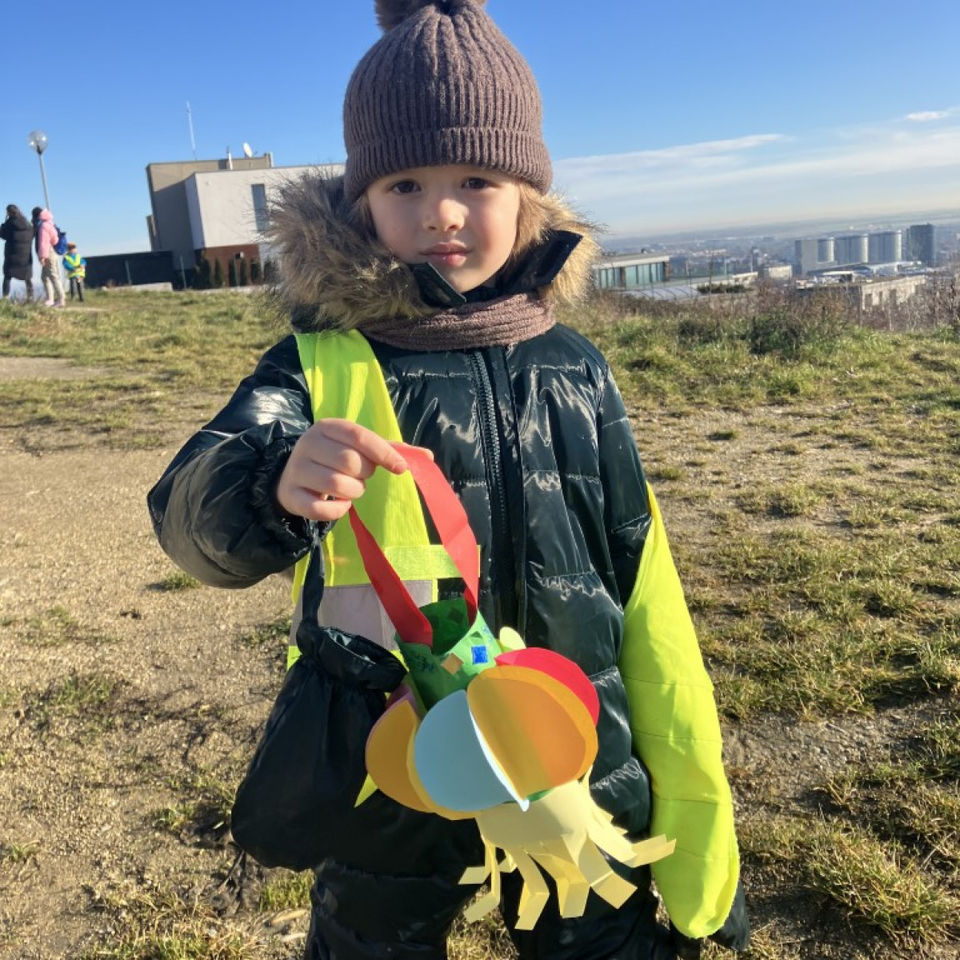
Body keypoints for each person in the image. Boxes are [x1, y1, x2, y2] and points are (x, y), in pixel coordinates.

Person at [147, 2, 749, 958]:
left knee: (599, 936)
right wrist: (267, 488)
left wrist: (683, 792)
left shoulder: (576, 367)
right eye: (404, 182)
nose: (442, 211)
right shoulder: (318, 362)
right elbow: (189, 512)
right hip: (388, 753)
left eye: (478, 176)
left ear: (530, 194)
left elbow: (642, 579)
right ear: (358, 205)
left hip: (570, 740)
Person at [31, 206, 64, 307]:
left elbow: (43, 243)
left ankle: (60, 299)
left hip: (47, 253)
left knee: (52, 276)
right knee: (45, 277)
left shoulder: (42, 226)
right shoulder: (50, 223)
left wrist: (42, 256)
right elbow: (55, 240)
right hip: (51, 251)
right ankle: (51, 299)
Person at [1, 204, 34, 300]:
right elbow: (32, 235)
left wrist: (3, 225)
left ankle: (5, 297)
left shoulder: (10, 223)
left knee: (7, 275)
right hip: (25, 255)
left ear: (8, 212)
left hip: (12, 255)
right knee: (27, 276)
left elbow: (3, 235)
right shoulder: (27, 223)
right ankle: (30, 297)